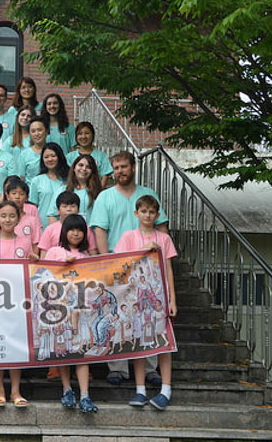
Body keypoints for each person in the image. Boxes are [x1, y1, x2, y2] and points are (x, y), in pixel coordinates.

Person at [91, 150, 168, 387]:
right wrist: (106, 263)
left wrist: (162, 256)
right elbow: (100, 230)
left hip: (147, 266)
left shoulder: (147, 194)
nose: (119, 172)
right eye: (115, 168)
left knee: (147, 315)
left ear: (133, 167)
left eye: (123, 167)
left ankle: (150, 367)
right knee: (118, 316)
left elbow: (161, 228)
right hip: (118, 264)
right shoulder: (105, 196)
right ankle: (118, 367)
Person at [115, 196, 177, 410]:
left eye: (151, 212)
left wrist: (172, 299)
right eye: (143, 211)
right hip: (136, 298)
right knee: (139, 342)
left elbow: (168, 269)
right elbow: (120, 263)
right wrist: (143, 250)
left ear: (157, 215)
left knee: (164, 343)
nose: (147, 215)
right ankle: (140, 389)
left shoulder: (164, 238)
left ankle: (166, 389)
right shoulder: (128, 236)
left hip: (159, 298)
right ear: (136, 213)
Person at [0, 201, 38, 408]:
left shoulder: (25, 242)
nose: (7, 220)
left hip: (19, 301)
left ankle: (15, 390)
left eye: (12, 216)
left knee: (16, 345)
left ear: (18, 219)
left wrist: (34, 261)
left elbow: (32, 270)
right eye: (3, 216)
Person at [42, 214, 98, 413]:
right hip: (60, 311)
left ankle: (85, 395)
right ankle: (67, 390)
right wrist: (63, 264)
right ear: (64, 231)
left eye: (80, 230)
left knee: (81, 354)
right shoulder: (54, 251)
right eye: (72, 229)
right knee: (64, 352)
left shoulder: (87, 257)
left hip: (82, 312)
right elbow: (44, 275)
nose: (76, 233)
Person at [39, 191, 98, 258]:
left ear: (78, 210)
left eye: (73, 206)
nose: (69, 209)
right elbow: (43, 255)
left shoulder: (85, 228)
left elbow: (93, 253)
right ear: (58, 210)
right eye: (65, 206)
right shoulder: (50, 229)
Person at [52, 154, 102, 226]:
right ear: (74, 168)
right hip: (66, 231)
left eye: (88, 167)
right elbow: (53, 215)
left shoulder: (98, 192)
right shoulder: (63, 189)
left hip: (90, 231)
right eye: (81, 165)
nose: (84, 169)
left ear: (92, 171)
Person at [29, 143, 69, 228]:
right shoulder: (37, 181)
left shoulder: (69, 180)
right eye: (46, 157)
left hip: (66, 225)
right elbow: (33, 207)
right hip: (41, 226)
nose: (50, 159)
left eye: (53, 156)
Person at [66, 122, 113, 188]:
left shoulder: (102, 156)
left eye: (87, 133)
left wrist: (97, 192)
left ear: (93, 135)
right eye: (80, 134)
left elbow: (104, 177)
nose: (83, 136)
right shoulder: (69, 157)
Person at [5, 178, 42, 248]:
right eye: (14, 193)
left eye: (21, 194)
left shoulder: (33, 221)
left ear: (27, 197)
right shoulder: (3, 220)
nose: (17, 197)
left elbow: (36, 244)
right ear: (8, 196)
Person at [17, 116, 48, 184]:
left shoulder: (53, 151)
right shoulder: (24, 155)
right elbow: (21, 179)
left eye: (40, 130)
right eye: (33, 131)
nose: (36, 134)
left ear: (46, 131)